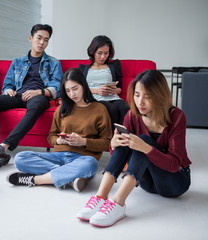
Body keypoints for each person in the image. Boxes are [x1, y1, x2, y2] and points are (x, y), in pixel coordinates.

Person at [76, 70, 191, 227]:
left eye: (148, 96)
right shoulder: (132, 116)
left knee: (142, 140)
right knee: (126, 140)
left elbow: (174, 164)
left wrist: (146, 148)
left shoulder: (177, 116)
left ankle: (118, 203)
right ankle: (100, 197)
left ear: (160, 96)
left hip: (174, 183)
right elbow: (120, 156)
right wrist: (114, 145)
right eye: (137, 95)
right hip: (147, 183)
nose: (140, 102)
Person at [6, 68, 112, 192]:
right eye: (67, 91)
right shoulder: (61, 109)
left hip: (83, 158)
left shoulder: (99, 109)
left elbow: (106, 142)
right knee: (20, 158)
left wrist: (83, 142)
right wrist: (60, 141)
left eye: (75, 88)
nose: (72, 94)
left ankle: (35, 180)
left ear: (83, 85)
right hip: (58, 156)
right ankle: (70, 177)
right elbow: (51, 137)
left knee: (91, 164)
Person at [0, 24, 63, 169]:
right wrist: (8, 90)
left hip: (39, 96)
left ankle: (4, 146)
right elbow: (7, 84)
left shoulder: (53, 63)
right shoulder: (17, 62)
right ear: (31, 38)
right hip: (19, 95)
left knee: (37, 105)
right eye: (39, 38)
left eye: (46, 40)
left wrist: (39, 92)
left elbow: (57, 88)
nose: (42, 43)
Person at [78, 35, 129, 131]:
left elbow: (120, 89)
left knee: (124, 106)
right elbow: (80, 89)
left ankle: (124, 139)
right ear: (93, 52)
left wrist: (114, 90)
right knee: (110, 108)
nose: (103, 57)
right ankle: (111, 139)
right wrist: (97, 91)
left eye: (106, 53)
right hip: (95, 98)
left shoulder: (114, 66)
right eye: (99, 53)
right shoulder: (83, 69)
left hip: (112, 97)